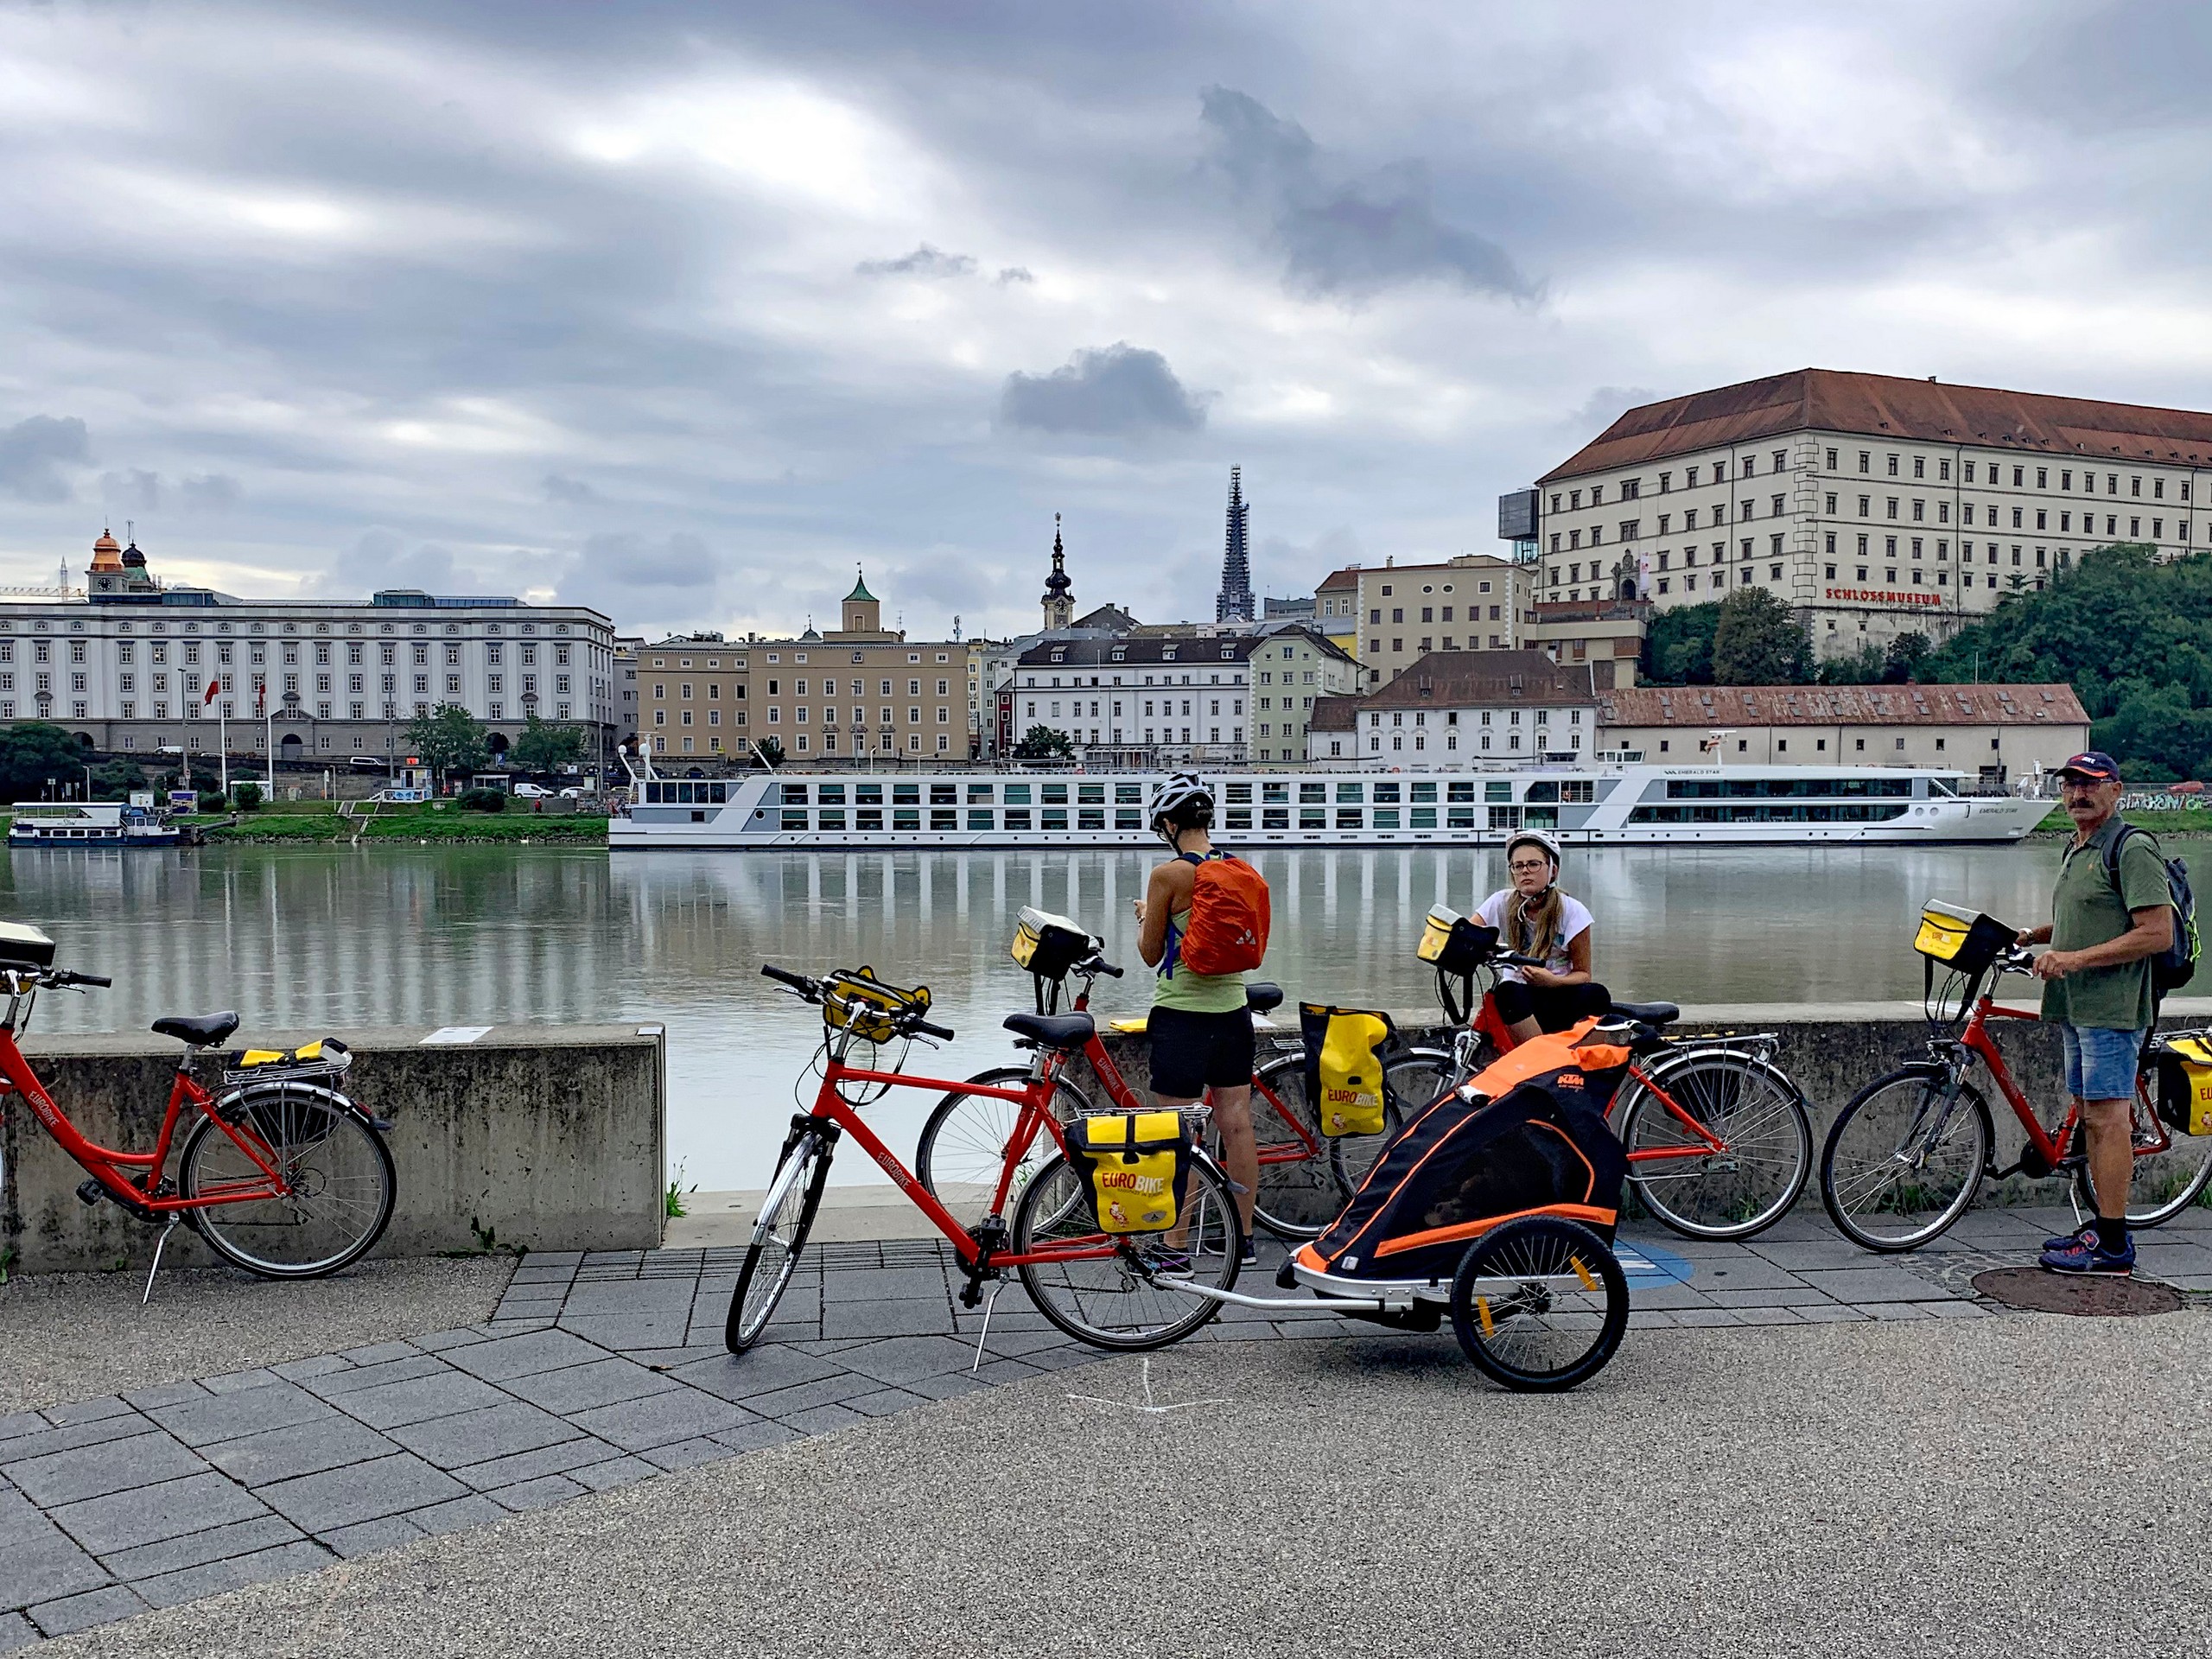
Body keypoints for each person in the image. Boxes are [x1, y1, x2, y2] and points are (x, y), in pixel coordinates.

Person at [2018, 751, 2173, 1276]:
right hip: (2076, 1005)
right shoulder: (2078, 845)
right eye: (2069, 785)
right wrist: (2034, 936)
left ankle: (2112, 1247)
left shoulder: (2131, 849)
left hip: (2111, 1008)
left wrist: (2074, 959)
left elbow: (2156, 933)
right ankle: (2103, 1227)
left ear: (2116, 790)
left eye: (2090, 784)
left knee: (2108, 1122)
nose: (2077, 793)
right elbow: (2085, 915)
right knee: (2090, 1114)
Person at [1133, 774, 1258, 1261]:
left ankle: (1175, 1246)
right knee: (1238, 1124)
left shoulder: (1169, 875)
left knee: (1177, 1130)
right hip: (1233, 1013)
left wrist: (1148, 917)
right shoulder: (1236, 869)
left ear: (1168, 823)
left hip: (1182, 1016)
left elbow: (1149, 954)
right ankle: (1243, 1239)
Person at [1476, 830, 1609, 1044]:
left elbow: (1583, 974)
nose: (1525, 871)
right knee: (1506, 991)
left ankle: (1550, 1064)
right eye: (1518, 866)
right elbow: (1470, 931)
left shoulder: (1572, 910)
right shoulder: (1499, 902)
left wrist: (1552, 981)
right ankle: (1540, 1062)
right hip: (1519, 998)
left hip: (1560, 993)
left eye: (1534, 864)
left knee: (1597, 994)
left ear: (1553, 871)